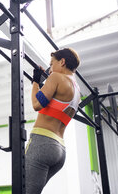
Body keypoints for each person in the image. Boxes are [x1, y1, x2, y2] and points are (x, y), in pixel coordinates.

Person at [25, 48, 81, 194]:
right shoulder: (77, 90)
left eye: (52, 64)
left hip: (42, 143)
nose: (50, 70)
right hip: (59, 150)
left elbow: (37, 104)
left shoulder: (57, 77)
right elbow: (54, 103)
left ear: (62, 62)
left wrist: (36, 81)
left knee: (23, 190)